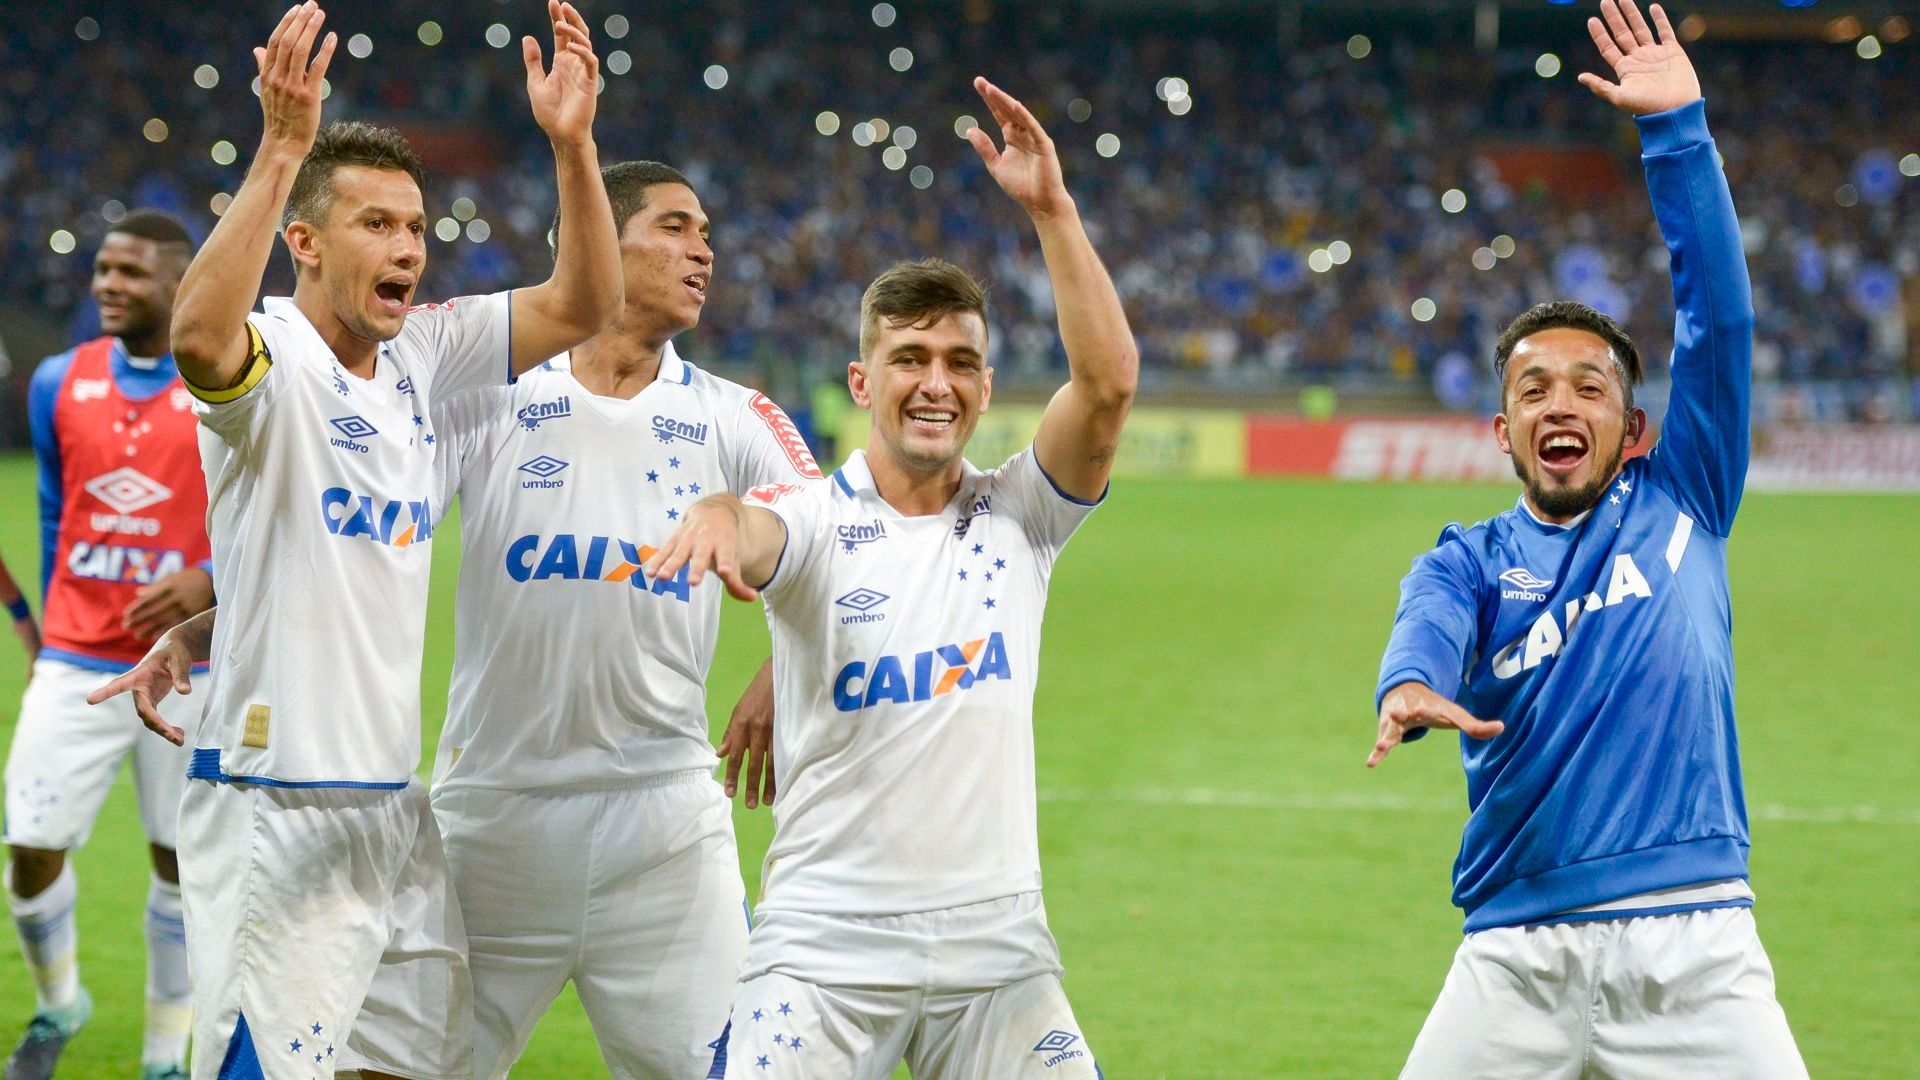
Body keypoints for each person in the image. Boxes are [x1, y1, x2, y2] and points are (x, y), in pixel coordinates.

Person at [87, 3, 620, 1077]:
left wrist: (573, 144)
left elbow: (586, 304)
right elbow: (198, 337)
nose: (409, 248)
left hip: (391, 801)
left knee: (407, 1064)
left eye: (418, 228)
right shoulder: (269, 360)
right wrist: (283, 145)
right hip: (273, 799)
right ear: (306, 242)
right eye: (378, 224)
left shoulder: (425, 354)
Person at [647, 76, 1134, 1080]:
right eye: (910, 358)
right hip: (824, 957)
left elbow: (1109, 383)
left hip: (997, 960)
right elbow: (753, 532)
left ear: (988, 386)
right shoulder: (815, 523)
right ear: (864, 384)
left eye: (961, 361)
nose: (937, 383)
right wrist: (712, 514)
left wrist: (1051, 210)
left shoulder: (1022, 518)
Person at [1366, 4, 1807, 1076]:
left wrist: (1680, 135)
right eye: (1533, 388)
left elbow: (1721, 326)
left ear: (1634, 426)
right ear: (1503, 427)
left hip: (1698, 947)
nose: (1560, 402)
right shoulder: (1464, 557)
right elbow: (1425, 623)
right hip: (1513, 956)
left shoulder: (1687, 496)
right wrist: (1409, 684)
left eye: (1590, 385)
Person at [347, 160, 819, 1079]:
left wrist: (780, 668)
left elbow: (846, 549)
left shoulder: (734, 415)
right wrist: (215, 616)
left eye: (708, 234)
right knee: (393, 1071)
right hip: (495, 818)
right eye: (677, 227)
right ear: (594, 241)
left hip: (667, 828)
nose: (704, 251)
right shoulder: (488, 395)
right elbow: (359, 531)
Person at [4, 210, 212, 1080]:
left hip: (188, 670)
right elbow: (58, 510)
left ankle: (166, 1055)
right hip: (78, 659)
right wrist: (41, 630)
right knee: (29, 844)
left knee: (178, 861)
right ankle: (61, 1005)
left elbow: (266, 513)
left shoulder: (220, 383)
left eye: (130, 273)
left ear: (178, 281)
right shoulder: (58, 380)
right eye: (103, 270)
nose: (107, 286)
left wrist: (210, 580)